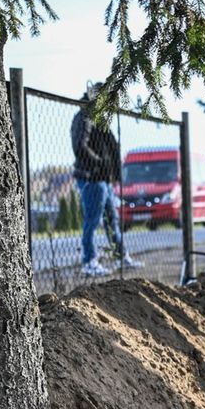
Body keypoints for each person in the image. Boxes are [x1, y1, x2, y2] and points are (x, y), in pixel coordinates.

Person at [71, 82, 142, 277]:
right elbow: (80, 146)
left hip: (105, 180)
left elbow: (111, 148)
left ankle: (120, 256)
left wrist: (114, 173)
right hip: (91, 178)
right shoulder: (84, 118)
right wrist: (100, 163)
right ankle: (89, 261)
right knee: (92, 220)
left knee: (113, 219)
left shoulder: (100, 119)